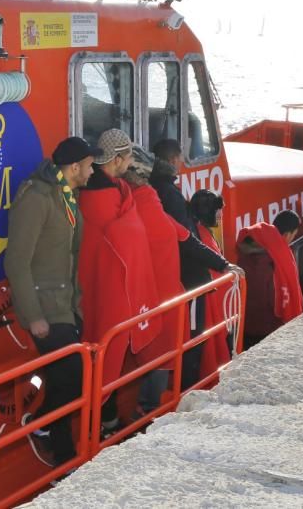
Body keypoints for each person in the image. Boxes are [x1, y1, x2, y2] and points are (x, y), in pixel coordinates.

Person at [5, 136, 100, 467]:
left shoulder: (67, 194)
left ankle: (52, 438)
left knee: (70, 379)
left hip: (66, 305)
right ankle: (61, 452)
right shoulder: (37, 198)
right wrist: (33, 317)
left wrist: (77, 303)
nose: (92, 172)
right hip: (45, 308)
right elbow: (16, 261)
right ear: (74, 167)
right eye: (89, 166)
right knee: (73, 378)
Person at [77, 129, 159, 437]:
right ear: (118, 159)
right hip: (110, 287)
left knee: (102, 350)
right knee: (108, 352)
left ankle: (106, 422)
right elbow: (127, 236)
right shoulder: (105, 197)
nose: (130, 164)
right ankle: (101, 426)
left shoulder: (96, 191)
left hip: (95, 282)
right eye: (129, 158)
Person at [120, 146, 182, 419]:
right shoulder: (144, 201)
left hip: (149, 292)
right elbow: (178, 234)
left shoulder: (130, 201)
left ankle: (138, 409)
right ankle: (146, 409)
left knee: (155, 350)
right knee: (161, 350)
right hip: (156, 293)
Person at [186, 191, 245, 383]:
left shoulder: (199, 231)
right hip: (212, 305)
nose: (220, 215)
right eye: (218, 210)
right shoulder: (202, 235)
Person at [236, 210, 303, 346]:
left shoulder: (248, 247)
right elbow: (274, 297)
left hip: (245, 325)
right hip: (267, 328)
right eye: (293, 236)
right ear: (287, 234)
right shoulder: (276, 258)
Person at [149, 138, 192, 230]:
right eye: (180, 157)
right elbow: (185, 231)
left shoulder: (150, 182)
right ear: (173, 160)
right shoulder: (171, 194)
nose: (182, 161)